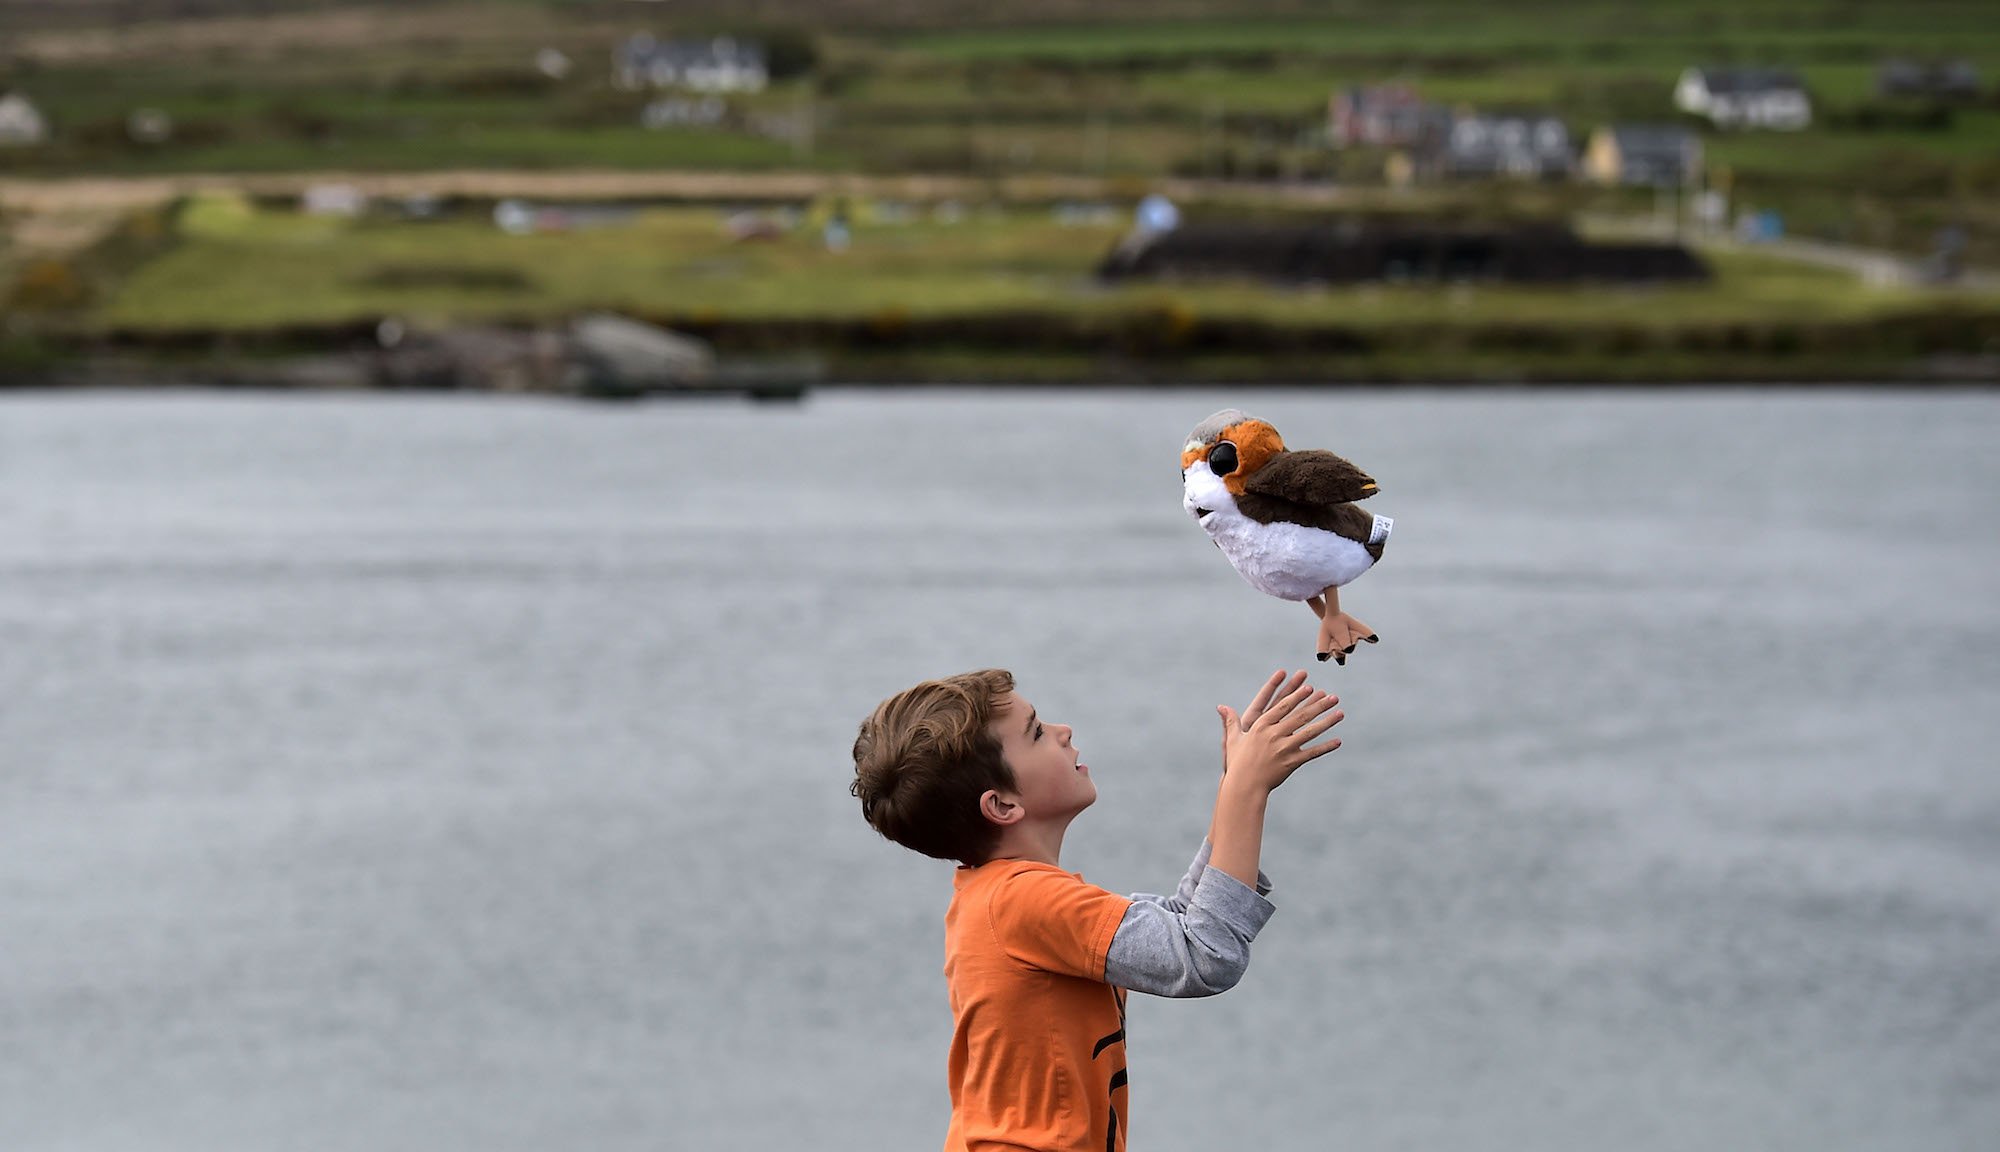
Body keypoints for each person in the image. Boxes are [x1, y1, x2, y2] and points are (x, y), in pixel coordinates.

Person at [850, 667, 1344, 1152]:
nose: (1064, 732)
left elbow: (1180, 925)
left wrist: (1234, 785)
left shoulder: (1006, 896)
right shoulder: (1022, 901)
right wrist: (1245, 792)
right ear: (1001, 806)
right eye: (1038, 732)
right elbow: (1205, 955)